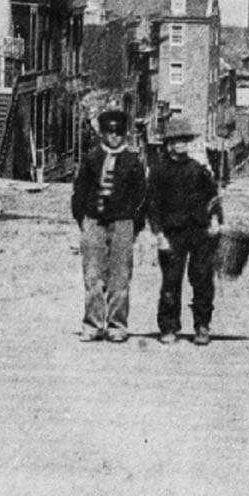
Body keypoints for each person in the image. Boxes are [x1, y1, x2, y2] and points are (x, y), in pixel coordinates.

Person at [71, 109, 147, 343]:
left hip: (123, 223)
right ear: (102, 133)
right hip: (94, 222)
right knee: (92, 275)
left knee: (120, 277)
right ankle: (92, 324)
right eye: (109, 131)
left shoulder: (133, 162)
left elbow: (141, 196)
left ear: (125, 134)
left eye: (119, 132)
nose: (114, 136)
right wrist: (83, 220)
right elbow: (80, 192)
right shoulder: (91, 158)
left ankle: (116, 325)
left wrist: (134, 224)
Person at [146, 116, 223, 346]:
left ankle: (202, 325)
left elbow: (213, 198)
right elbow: (153, 206)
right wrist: (159, 234)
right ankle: (169, 327)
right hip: (172, 233)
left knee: (202, 279)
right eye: (175, 140)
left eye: (184, 140)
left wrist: (216, 220)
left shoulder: (198, 170)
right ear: (168, 143)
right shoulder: (159, 172)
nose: (180, 144)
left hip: (199, 232)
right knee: (171, 281)